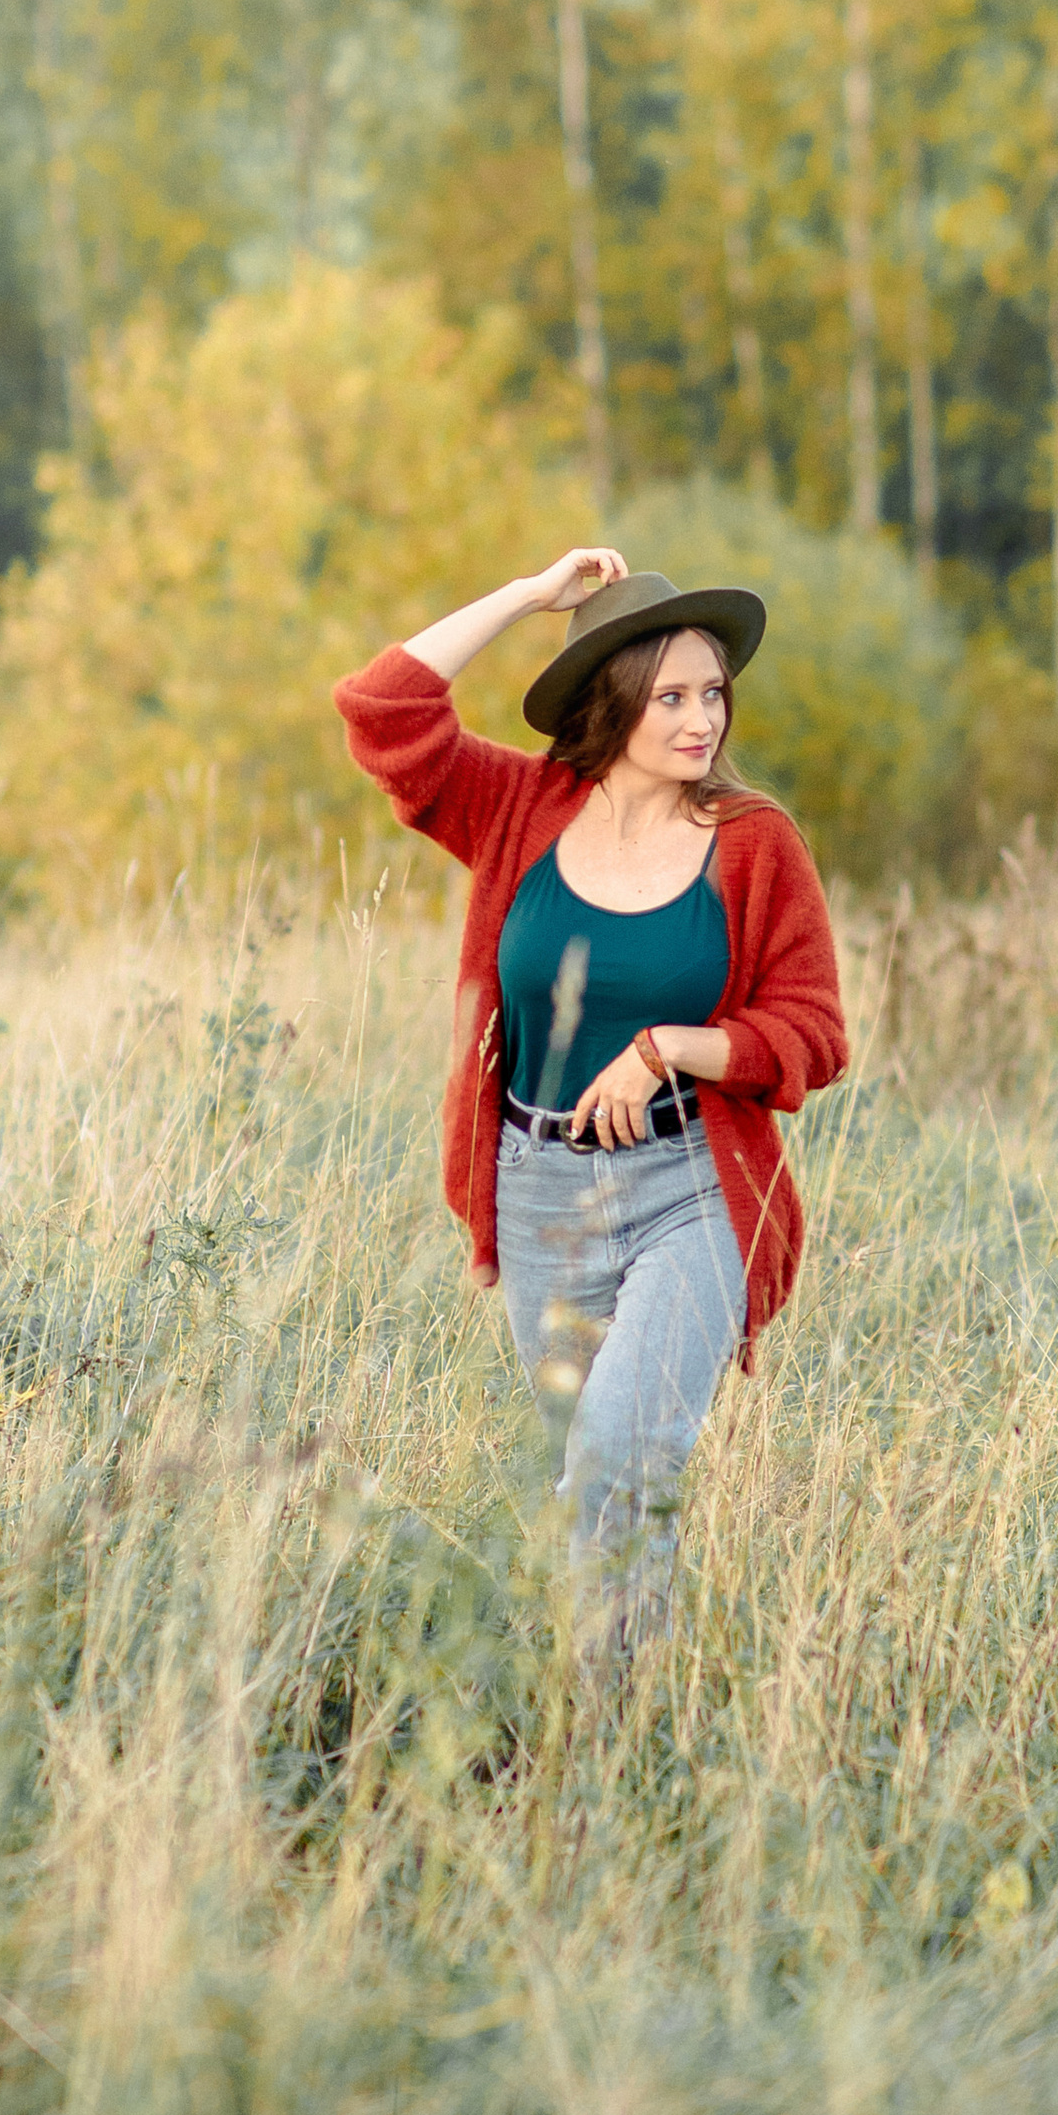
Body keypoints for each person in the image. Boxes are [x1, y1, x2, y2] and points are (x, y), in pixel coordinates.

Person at [335, 548, 848, 1664]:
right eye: (670, 696)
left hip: (691, 1191)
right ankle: (608, 1740)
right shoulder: (517, 807)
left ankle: (593, 1735)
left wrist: (670, 1049)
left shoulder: (754, 842)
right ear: (610, 702)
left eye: (712, 692)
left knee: (620, 1458)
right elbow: (383, 708)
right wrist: (526, 598)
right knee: (591, 1481)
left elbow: (814, 1033)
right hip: (539, 1197)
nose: (700, 718)